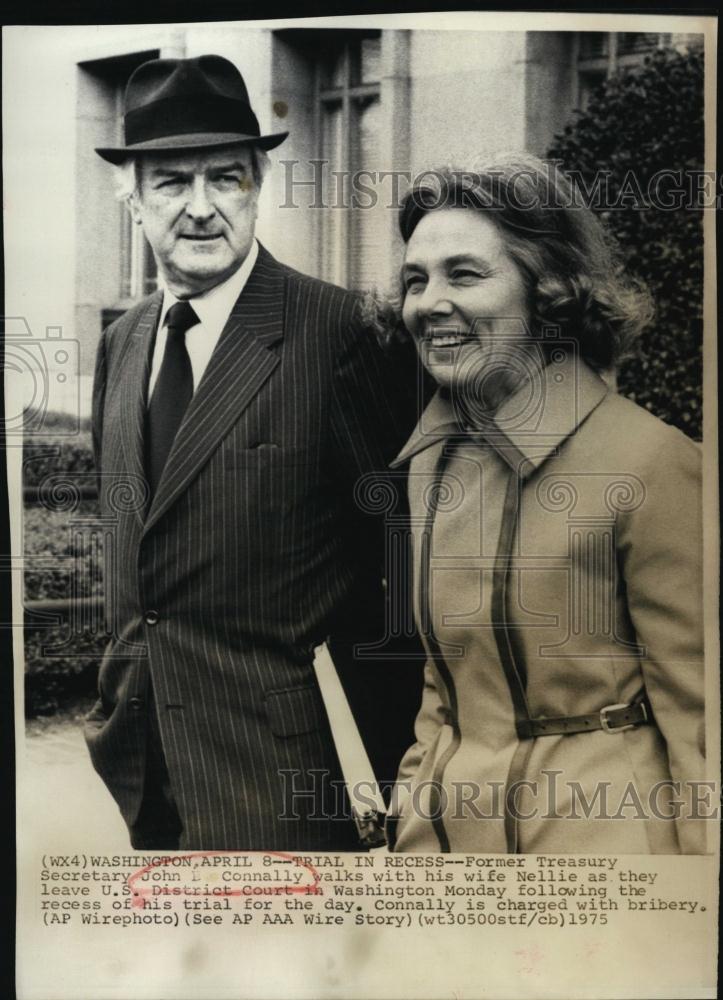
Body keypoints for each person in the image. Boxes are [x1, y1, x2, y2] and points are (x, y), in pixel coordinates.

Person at [85, 54, 421, 851]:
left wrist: (402, 781)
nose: (201, 208)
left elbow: (402, 575)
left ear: (258, 184)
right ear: (132, 198)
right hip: (143, 776)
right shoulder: (121, 343)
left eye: (226, 179)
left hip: (284, 791)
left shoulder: (341, 335)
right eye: (173, 183)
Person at [385, 155, 706, 854]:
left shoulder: (652, 462)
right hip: (445, 862)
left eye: (463, 274)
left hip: (605, 860)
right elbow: (443, 691)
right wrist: (408, 825)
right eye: (415, 280)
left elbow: (701, 724)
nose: (427, 303)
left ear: (550, 288)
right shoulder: (430, 462)